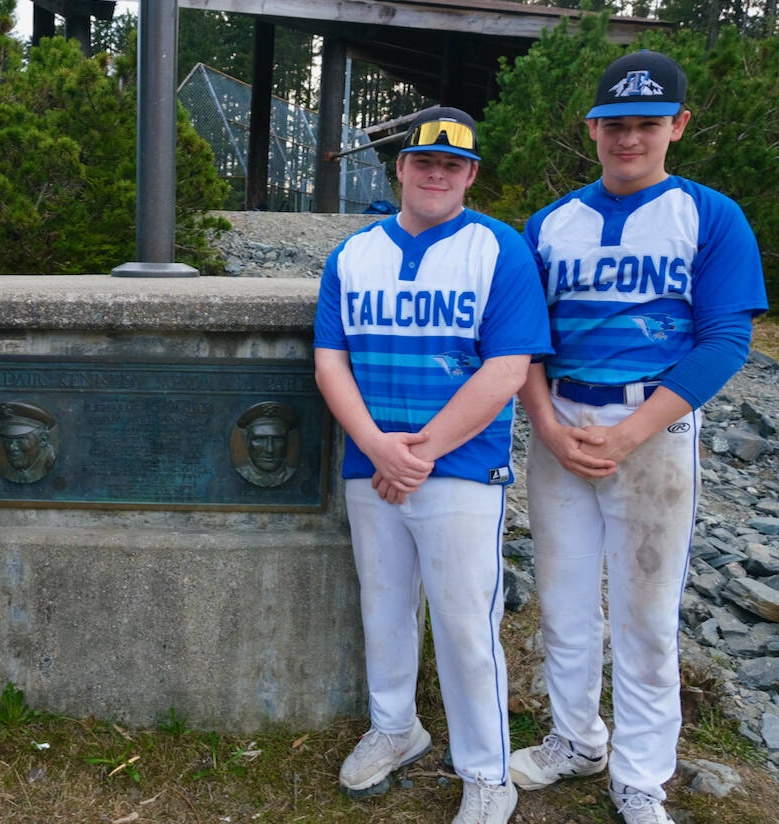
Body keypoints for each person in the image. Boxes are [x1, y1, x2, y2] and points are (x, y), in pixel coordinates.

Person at [510, 50, 767, 824]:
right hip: (562, 422)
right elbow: (522, 340)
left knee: (646, 612)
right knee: (562, 600)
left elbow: (725, 339)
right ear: (592, 128)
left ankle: (642, 771)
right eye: (614, 124)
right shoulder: (550, 222)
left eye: (647, 124)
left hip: (652, 427)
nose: (629, 139)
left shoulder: (708, 214)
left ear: (678, 126)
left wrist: (630, 432)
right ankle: (576, 738)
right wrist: (548, 425)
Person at [313, 106, 551, 824]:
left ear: (471, 175)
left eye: (453, 165)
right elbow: (330, 361)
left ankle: (487, 772)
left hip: (460, 469)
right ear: (402, 169)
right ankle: (397, 728)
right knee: (383, 608)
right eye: (425, 162)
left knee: (463, 623)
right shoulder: (354, 255)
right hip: (373, 462)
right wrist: (379, 446)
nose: (437, 174)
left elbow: (508, 368)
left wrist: (416, 451)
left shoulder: (499, 249)